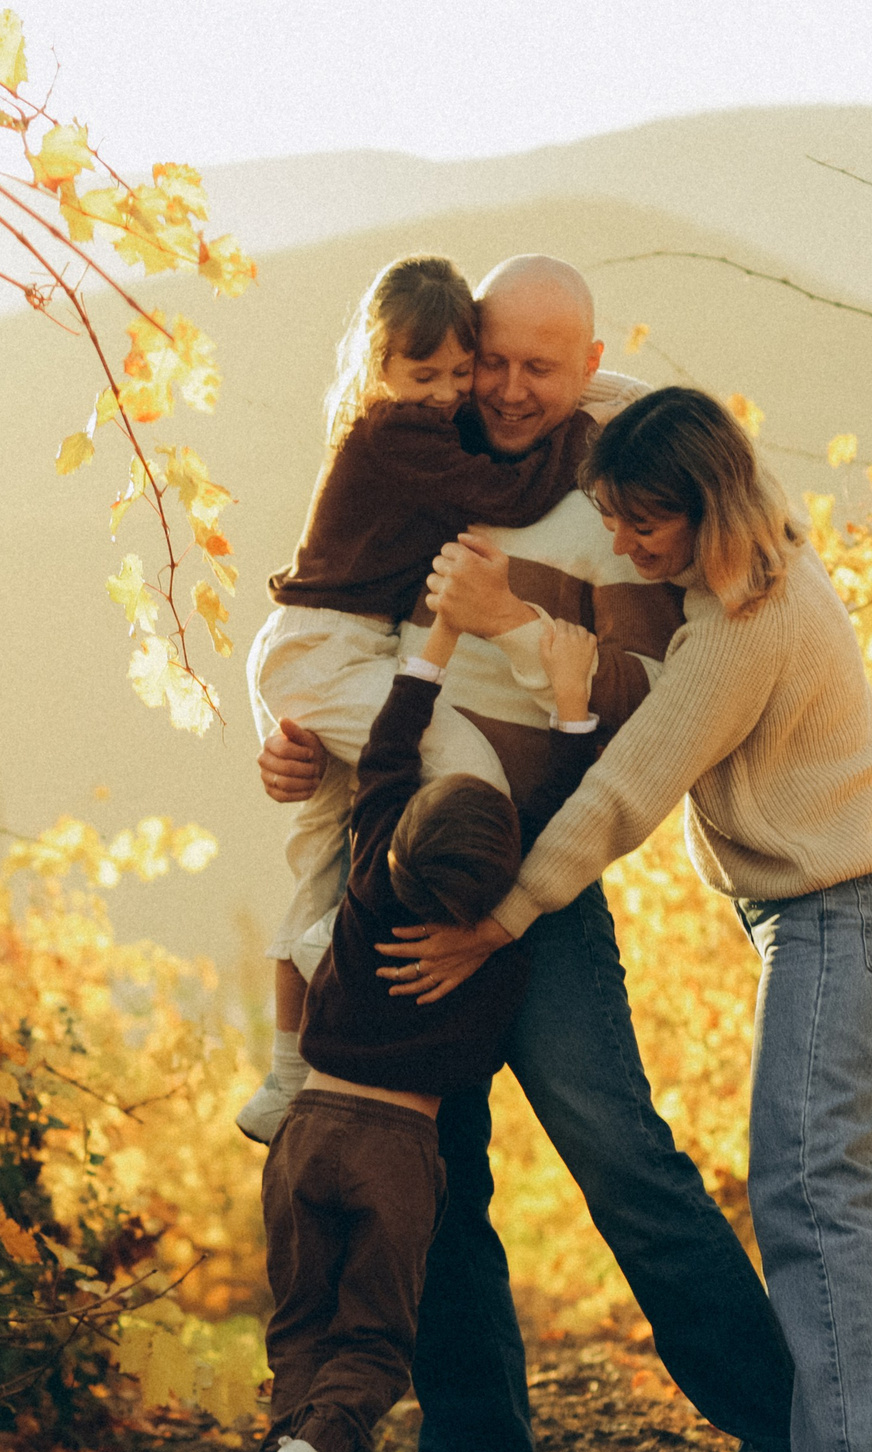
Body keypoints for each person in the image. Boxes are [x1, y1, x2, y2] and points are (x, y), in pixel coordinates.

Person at [255, 259, 808, 1452]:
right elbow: (327, 632)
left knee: (618, 1150)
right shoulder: (427, 447)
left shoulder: (612, 484)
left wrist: (521, 612)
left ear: (589, 366)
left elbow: (632, 690)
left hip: (538, 888)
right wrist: (282, 745)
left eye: (538, 369)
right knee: (425, 1174)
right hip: (403, 862)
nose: (503, 388)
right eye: (490, 359)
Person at [392, 386, 872, 1452]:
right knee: (855, 1193)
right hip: (843, 917)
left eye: (646, 524)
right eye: (614, 517)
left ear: (708, 503)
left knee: (809, 1188)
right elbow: (673, 431)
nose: (629, 546)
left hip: (834, 917)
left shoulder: (746, 624)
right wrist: (559, 395)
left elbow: (623, 789)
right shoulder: (761, 560)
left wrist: (500, 919)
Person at [252, 608, 602, 1452]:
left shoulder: (369, 872)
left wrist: (437, 644)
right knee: (373, 1339)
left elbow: (394, 744)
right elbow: (557, 821)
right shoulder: (489, 951)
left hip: (304, 1136)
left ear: (400, 829)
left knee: (301, 1323)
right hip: (395, 1159)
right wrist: (571, 710)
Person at [237, 253, 596, 1148]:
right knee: (460, 768)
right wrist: (587, 429)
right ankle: (340, 956)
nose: (447, 393)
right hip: (324, 649)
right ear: (380, 368)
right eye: (422, 373)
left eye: (456, 371)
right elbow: (507, 489)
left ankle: (286, 1074)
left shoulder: (423, 423)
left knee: (322, 853)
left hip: (315, 648)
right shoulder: (397, 432)